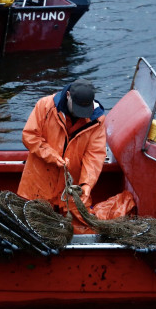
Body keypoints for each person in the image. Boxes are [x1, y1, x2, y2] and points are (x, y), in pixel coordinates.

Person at [17, 79, 106, 213]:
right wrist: (51, 155)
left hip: (69, 191)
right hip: (39, 185)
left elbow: (94, 155)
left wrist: (86, 184)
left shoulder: (97, 120)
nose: (80, 114)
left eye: (84, 110)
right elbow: (30, 136)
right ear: (68, 95)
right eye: (77, 109)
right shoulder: (45, 105)